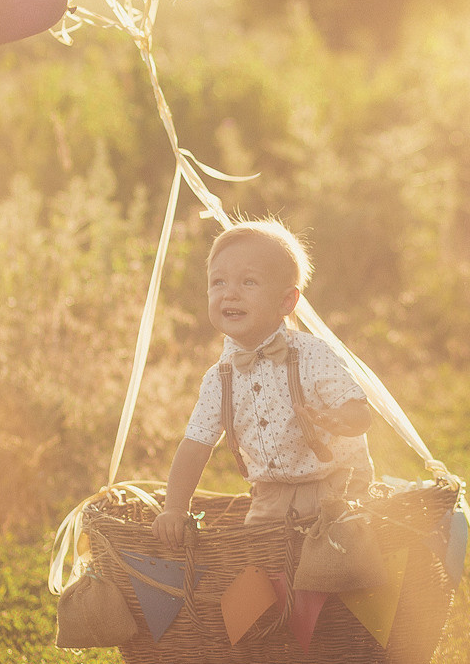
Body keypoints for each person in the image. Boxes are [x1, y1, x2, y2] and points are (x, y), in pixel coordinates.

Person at [152, 219, 374, 544]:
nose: (229, 293)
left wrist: (338, 420)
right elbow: (195, 446)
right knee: (257, 574)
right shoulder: (219, 379)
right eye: (218, 282)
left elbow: (360, 416)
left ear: (286, 302)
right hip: (270, 498)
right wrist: (174, 507)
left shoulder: (312, 355)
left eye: (249, 282)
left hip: (336, 486)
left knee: (336, 562)